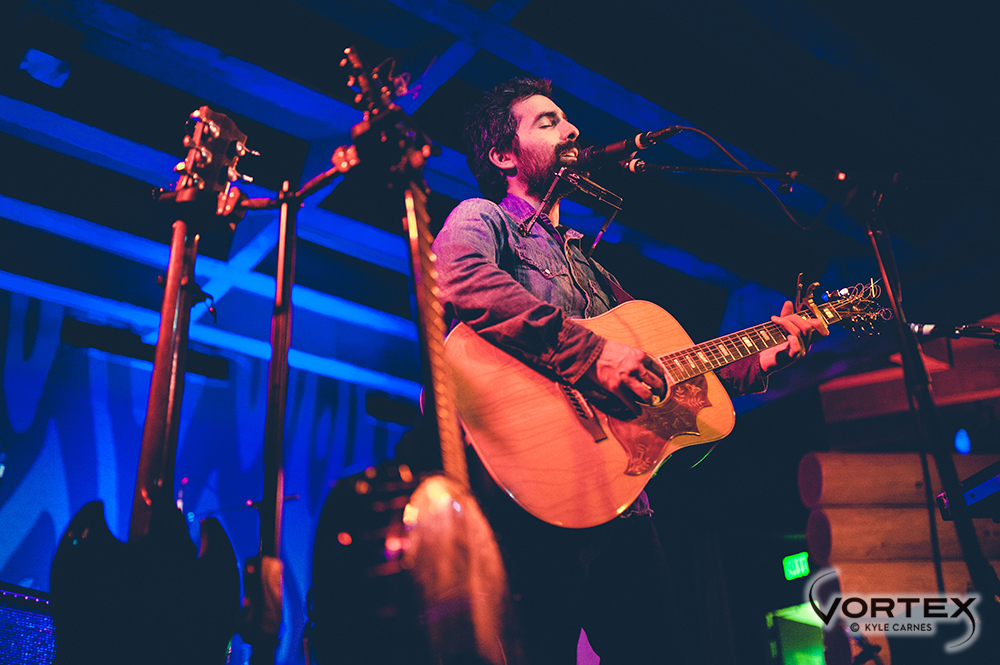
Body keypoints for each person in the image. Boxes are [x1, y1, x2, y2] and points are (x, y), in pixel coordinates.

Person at [430, 77, 828, 664]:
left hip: (621, 498)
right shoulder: (483, 216)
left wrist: (765, 356)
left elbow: (668, 365)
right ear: (503, 155)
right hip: (531, 490)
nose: (571, 130)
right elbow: (460, 277)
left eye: (568, 120)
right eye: (548, 122)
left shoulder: (589, 265)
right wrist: (591, 355)